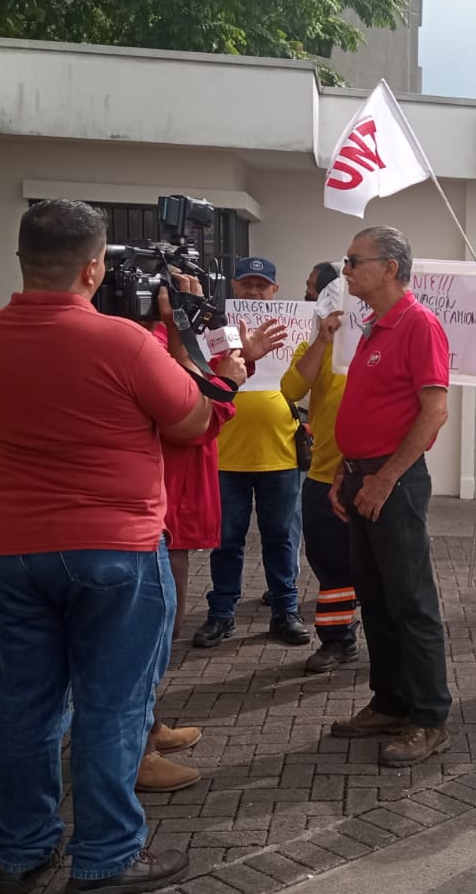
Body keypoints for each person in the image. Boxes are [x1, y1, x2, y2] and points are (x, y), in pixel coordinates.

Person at [0, 199, 219, 892]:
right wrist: (192, 352)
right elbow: (193, 421)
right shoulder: (124, 342)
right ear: (94, 266)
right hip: (115, 546)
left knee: (25, 704)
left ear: (23, 260)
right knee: (113, 705)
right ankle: (106, 855)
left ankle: (21, 850)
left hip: (9, 546)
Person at [327, 227, 454, 768]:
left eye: (354, 260)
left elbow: (435, 412)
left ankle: (429, 717)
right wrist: (345, 469)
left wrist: (384, 479)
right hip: (365, 477)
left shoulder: (418, 324)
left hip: (392, 482)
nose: (346, 269)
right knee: (375, 598)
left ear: (390, 268)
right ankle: (390, 702)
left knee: (410, 602)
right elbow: (368, 409)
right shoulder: (373, 327)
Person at [140, 316, 279, 793]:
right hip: (160, 508)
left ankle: (147, 725)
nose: (197, 298)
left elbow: (197, 382)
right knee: (155, 630)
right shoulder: (149, 342)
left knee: (164, 625)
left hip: (172, 506)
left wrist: (243, 363)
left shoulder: (168, 340)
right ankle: (137, 749)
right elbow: (191, 418)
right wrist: (228, 383)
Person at [194, 257, 313, 649]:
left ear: (275, 290)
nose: (255, 292)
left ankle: (285, 612)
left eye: (262, 285)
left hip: (280, 452)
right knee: (226, 539)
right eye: (247, 283)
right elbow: (204, 380)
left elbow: (306, 382)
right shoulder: (215, 331)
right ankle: (221, 614)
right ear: (234, 286)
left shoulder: (294, 329)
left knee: (281, 537)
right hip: (226, 454)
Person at [283, 270, 364, 674]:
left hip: (373, 474)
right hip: (322, 474)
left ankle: (386, 640)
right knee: (329, 561)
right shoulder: (317, 345)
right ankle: (337, 641)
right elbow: (291, 389)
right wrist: (322, 340)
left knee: (379, 565)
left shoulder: (382, 345)